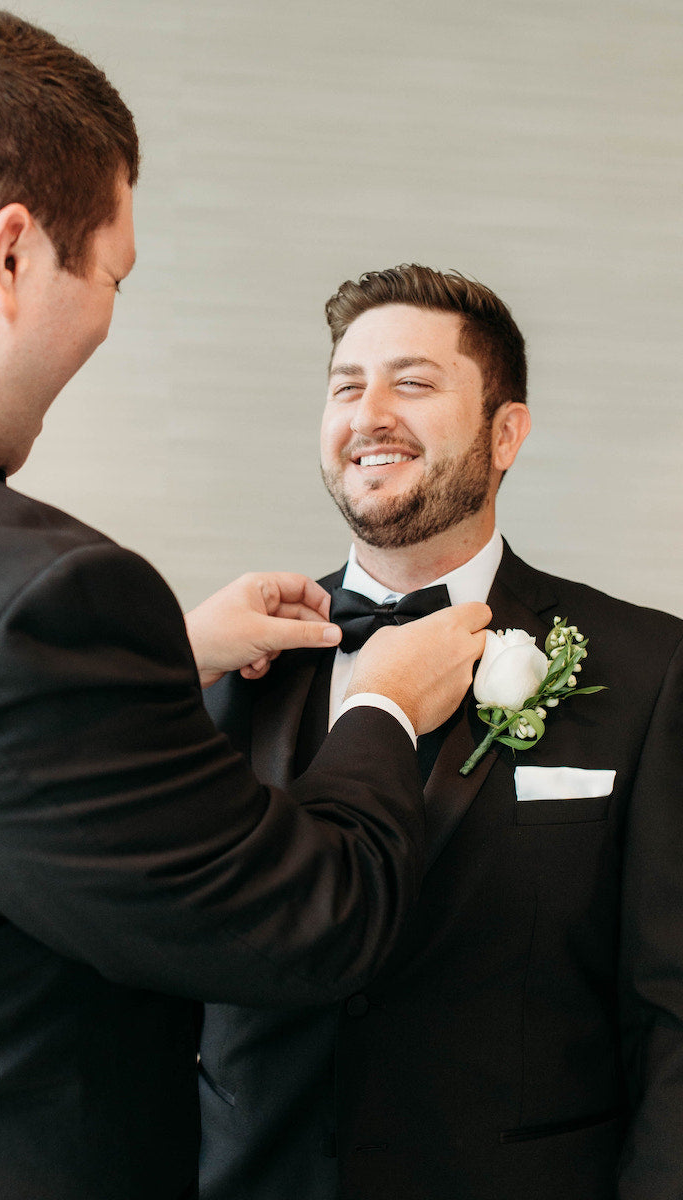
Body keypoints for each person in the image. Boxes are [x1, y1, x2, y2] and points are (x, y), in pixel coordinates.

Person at [0, 18, 490, 1200]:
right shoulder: (43, 602)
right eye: (110, 275)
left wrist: (161, 651)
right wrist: (379, 710)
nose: (110, 320)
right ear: (9, 256)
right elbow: (312, 918)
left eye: (412, 380)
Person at [199, 264, 683, 1200]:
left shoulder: (652, 670)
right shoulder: (234, 665)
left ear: (507, 434)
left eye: (413, 382)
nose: (369, 413)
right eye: (347, 385)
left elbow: (671, 1012)